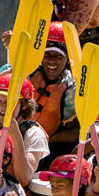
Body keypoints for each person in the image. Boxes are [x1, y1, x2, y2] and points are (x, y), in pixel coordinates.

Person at [28, 22, 79, 167]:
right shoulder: (26, 73)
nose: (51, 60)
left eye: (58, 56)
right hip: (19, 140)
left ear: (67, 59)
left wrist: (37, 141)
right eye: (47, 54)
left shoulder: (72, 88)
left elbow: (77, 132)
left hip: (52, 148)